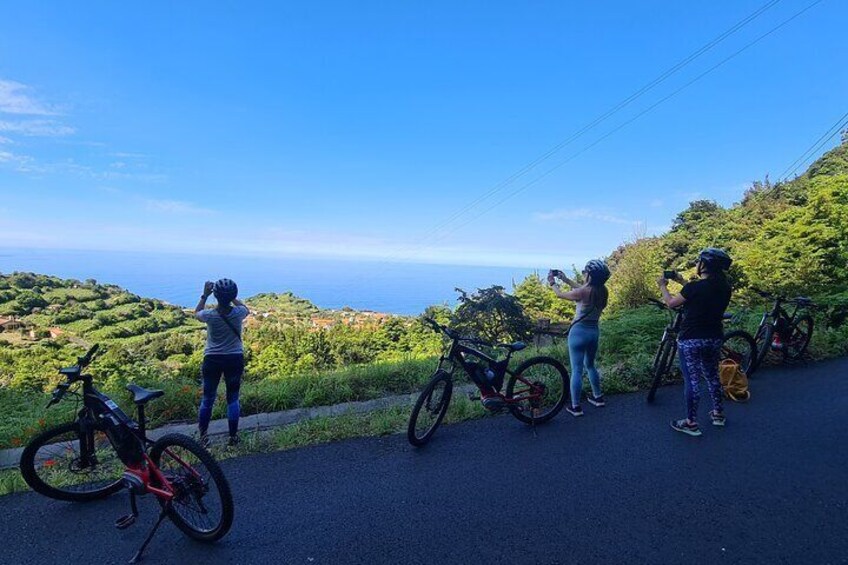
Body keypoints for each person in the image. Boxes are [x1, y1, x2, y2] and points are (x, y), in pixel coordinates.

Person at [657, 248, 732, 437]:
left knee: (692, 380)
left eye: (699, 261)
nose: (697, 264)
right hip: (714, 337)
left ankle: (691, 422)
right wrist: (681, 280)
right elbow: (698, 293)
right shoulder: (724, 287)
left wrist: (663, 286)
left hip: (691, 339)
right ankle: (718, 414)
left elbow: (672, 303)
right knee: (712, 375)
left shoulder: (695, 288)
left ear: (704, 264)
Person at [548, 260, 610, 417]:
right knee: (590, 365)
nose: (584, 274)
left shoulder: (583, 292)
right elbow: (584, 289)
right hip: (594, 332)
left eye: (585, 272)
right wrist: (566, 279)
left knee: (576, 369)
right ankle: (598, 397)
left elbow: (560, 294)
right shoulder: (603, 291)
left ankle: (576, 407)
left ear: (589, 275)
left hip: (578, 333)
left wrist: (552, 282)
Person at [194, 278, 249, 447]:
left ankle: (203, 438)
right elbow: (246, 309)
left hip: (212, 360)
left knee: (208, 399)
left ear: (215, 296)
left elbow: (197, 313)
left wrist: (204, 295)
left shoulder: (209, 315)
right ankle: (233, 438)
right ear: (234, 294)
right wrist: (232, 297)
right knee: (233, 398)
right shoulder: (238, 313)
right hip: (234, 358)